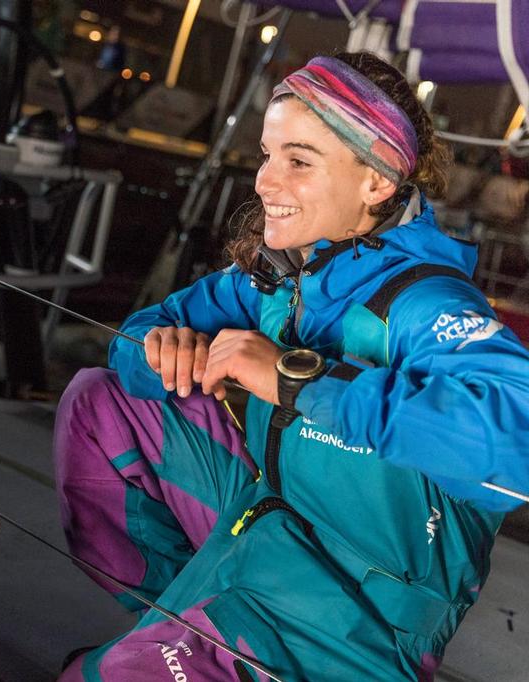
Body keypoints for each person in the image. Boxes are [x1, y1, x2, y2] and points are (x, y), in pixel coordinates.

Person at [54, 52, 529, 680]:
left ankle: (191, 646)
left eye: (298, 160)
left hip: (359, 612)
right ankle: (179, 622)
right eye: (267, 154)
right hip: (271, 528)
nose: (264, 182)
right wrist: (161, 352)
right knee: (101, 400)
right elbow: (135, 336)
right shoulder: (286, 275)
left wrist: (292, 377)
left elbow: (516, 443)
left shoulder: (427, 303)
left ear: (377, 183)